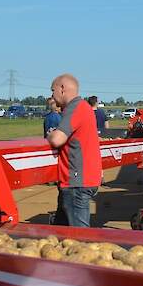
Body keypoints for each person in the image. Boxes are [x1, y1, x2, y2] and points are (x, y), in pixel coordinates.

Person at [47, 74, 101, 227]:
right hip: (79, 180)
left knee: (79, 237)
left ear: (62, 89)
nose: (52, 95)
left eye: (53, 90)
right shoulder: (84, 107)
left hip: (76, 183)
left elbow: (57, 139)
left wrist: (50, 135)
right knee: (62, 231)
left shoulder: (75, 108)